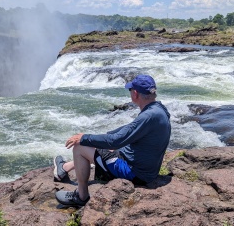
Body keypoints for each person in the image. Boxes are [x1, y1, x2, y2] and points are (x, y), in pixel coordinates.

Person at [54, 74, 171, 207]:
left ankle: (81, 197)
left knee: (80, 146)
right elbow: (128, 130)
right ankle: (65, 168)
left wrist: (85, 138)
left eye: (130, 90)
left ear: (135, 94)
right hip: (147, 169)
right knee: (102, 145)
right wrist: (105, 137)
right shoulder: (158, 109)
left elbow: (115, 141)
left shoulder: (148, 116)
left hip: (135, 173)